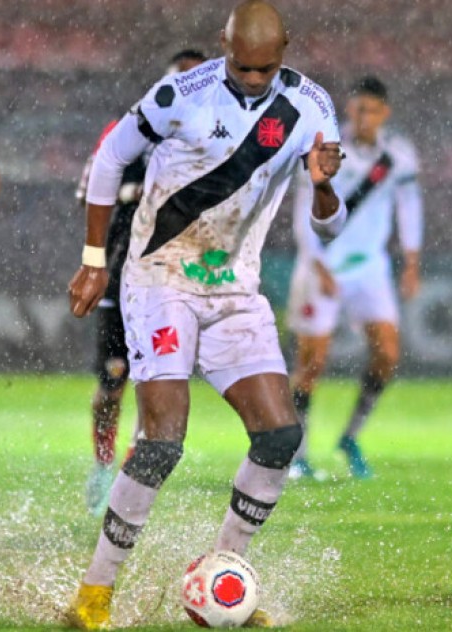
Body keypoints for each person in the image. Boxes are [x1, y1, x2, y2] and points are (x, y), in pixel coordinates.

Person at [64, 1, 345, 628]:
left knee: (279, 436)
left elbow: (330, 227)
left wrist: (324, 187)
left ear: (286, 50)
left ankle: (223, 577)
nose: (251, 79)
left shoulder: (312, 110)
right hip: (161, 278)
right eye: (241, 67)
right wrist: (92, 259)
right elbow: (111, 157)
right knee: (163, 440)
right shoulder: (179, 94)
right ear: (223, 45)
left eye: (264, 69)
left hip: (234, 290)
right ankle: (94, 594)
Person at [77, 49, 207, 518]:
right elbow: (88, 190)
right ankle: (102, 463)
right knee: (113, 381)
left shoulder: (215, 141)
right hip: (122, 270)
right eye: (183, 78)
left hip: (176, 278)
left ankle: (132, 475)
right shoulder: (132, 128)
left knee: (156, 381)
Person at [285, 75, 422, 481]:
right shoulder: (327, 148)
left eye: (372, 110)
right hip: (322, 264)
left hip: (370, 267)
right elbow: (302, 210)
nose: (364, 116)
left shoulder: (398, 155)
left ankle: (351, 436)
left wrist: (412, 261)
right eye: (358, 108)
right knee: (311, 363)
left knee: (388, 354)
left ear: (384, 113)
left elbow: (409, 206)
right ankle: (299, 454)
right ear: (349, 110)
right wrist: (317, 264)